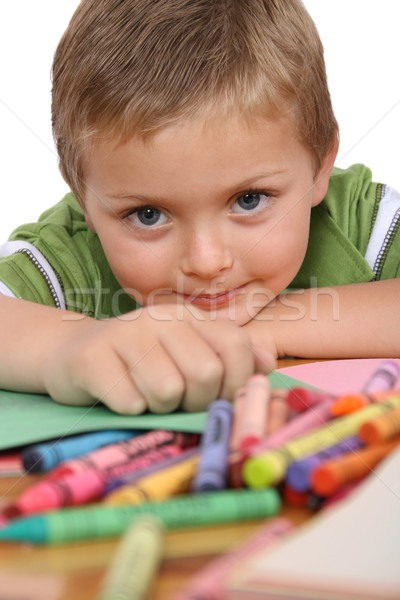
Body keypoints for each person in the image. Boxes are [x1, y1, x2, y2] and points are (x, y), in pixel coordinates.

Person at [0, 0, 399, 416]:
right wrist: (67, 348)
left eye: (249, 200)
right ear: (84, 197)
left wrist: (270, 329)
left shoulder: (362, 220)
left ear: (320, 165)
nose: (206, 262)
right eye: (148, 215)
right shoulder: (69, 258)